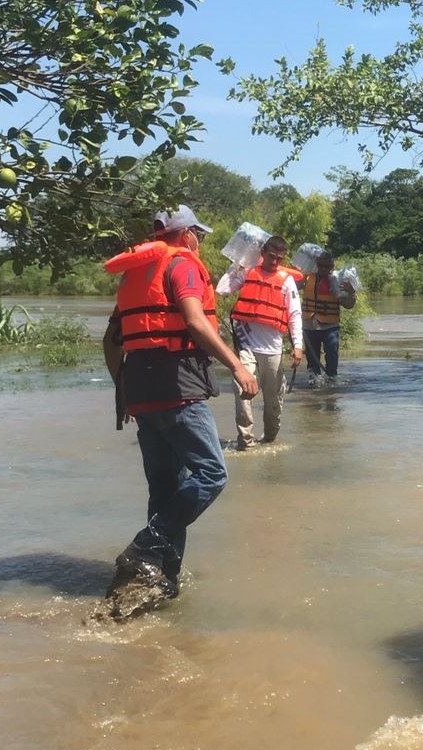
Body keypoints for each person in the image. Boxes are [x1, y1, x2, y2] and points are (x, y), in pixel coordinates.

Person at [100, 205, 259, 619]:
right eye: (199, 235)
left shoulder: (137, 272)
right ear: (186, 233)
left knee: (165, 487)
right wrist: (238, 366)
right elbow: (195, 321)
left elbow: (111, 340)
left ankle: (161, 577)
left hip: (141, 387)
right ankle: (147, 545)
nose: (200, 242)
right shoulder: (182, 266)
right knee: (212, 473)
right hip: (177, 384)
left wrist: (124, 390)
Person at [217, 235, 304, 449]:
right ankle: (245, 441)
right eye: (271, 256)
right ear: (262, 253)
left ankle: (270, 438)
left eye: (279, 259)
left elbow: (294, 314)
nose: (274, 262)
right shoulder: (248, 271)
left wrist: (298, 346)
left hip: (273, 348)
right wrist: (238, 261)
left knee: (272, 402)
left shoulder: (286, 280)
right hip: (246, 344)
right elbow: (222, 289)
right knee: (242, 391)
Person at [301, 249, 356, 386]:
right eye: (321, 265)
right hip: (309, 324)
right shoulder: (307, 278)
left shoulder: (338, 280)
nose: (324, 269)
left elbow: (349, 305)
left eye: (327, 266)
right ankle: (313, 381)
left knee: (332, 351)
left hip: (330, 325)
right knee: (311, 356)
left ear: (332, 267)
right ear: (316, 265)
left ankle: (331, 379)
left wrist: (350, 292)